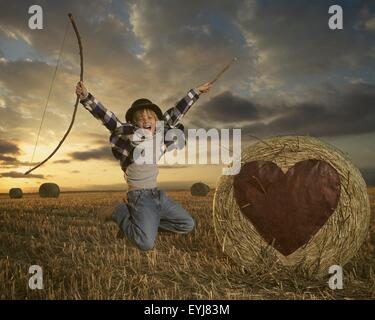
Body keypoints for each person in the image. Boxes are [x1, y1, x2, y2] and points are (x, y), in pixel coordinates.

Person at [75, 81, 212, 251]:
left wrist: (196, 91)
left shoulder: (160, 133)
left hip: (157, 195)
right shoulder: (130, 135)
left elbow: (178, 111)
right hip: (140, 196)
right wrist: (87, 98)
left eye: (149, 117)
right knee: (145, 243)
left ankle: (140, 226)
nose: (145, 121)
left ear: (156, 120)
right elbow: (109, 119)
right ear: (134, 123)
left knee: (187, 224)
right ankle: (119, 211)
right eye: (140, 119)